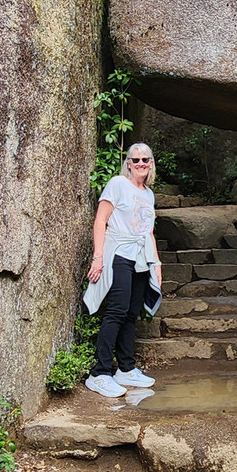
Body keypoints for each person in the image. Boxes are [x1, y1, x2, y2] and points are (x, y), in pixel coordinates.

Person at [81, 143, 163, 397]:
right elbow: (100, 220)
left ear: (151, 163)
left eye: (145, 160)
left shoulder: (148, 193)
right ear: (128, 163)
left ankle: (125, 368)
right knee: (116, 311)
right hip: (118, 254)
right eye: (135, 160)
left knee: (130, 313)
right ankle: (100, 373)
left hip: (140, 257)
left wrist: (156, 264)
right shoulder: (118, 183)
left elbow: (148, 231)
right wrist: (98, 258)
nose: (140, 164)